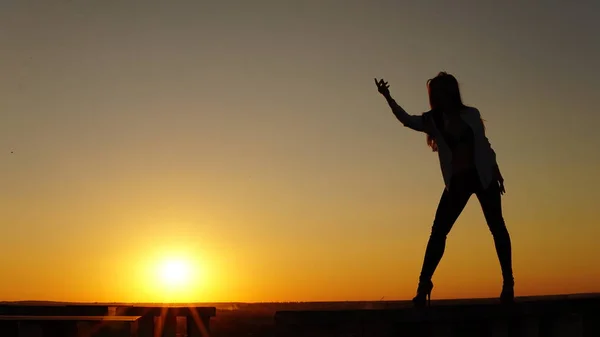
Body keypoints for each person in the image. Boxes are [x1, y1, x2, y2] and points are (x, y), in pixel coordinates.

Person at [374, 72, 514, 307]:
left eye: (441, 90)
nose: (437, 95)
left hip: (483, 177)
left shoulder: (471, 114)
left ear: (450, 92)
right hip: (457, 181)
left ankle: (508, 283)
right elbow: (407, 120)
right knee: (438, 232)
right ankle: (423, 284)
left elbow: (484, 143)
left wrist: (495, 169)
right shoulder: (433, 120)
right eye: (434, 91)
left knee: (497, 228)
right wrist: (388, 97)